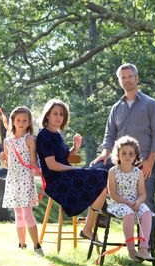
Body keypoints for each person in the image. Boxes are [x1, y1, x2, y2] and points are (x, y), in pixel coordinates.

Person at [91, 63, 155, 216]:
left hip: (144, 162)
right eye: (123, 77)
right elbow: (110, 134)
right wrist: (105, 153)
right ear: (120, 81)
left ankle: (148, 241)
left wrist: (150, 161)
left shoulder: (151, 104)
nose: (127, 80)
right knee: (93, 172)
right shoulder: (116, 108)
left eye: (130, 76)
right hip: (119, 162)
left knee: (147, 202)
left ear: (137, 78)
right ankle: (104, 214)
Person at [36, 99, 108, 240]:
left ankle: (90, 226)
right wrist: (72, 170)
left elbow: (64, 158)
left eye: (61, 114)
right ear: (47, 116)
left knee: (104, 183)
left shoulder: (56, 134)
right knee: (104, 176)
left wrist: (75, 148)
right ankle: (99, 216)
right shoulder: (44, 135)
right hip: (55, 181)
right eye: (55, 113)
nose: (58, 117)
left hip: (64, 176)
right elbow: (52, 165)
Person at [0, 106, 44, 256]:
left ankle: (37, 246)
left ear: (29, 122)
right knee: (18, 214)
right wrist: (1, 161)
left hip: (25, 179)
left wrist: (38, 172)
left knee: (26, 213)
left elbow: (33, 161)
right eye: (18, 120)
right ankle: (21, 245)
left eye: (25, 120)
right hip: (12, 180)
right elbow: (7, 166)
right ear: (12, 122)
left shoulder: (30, 139)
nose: (21, 123)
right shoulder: (7, 142)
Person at [107, 135, 154, 262]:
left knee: (146, 213)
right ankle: (131, 250)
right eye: (124, 153)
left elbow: (142, 194)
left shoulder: (138, 173)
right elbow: (113, 194)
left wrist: (138, 202)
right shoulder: (113, 172)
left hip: (135, 202)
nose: (127, 156)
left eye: (131, 154)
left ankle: (144, 249)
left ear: (136, 156)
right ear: (118, 154)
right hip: (118, 203)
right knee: (129, 214)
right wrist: (127, 202)